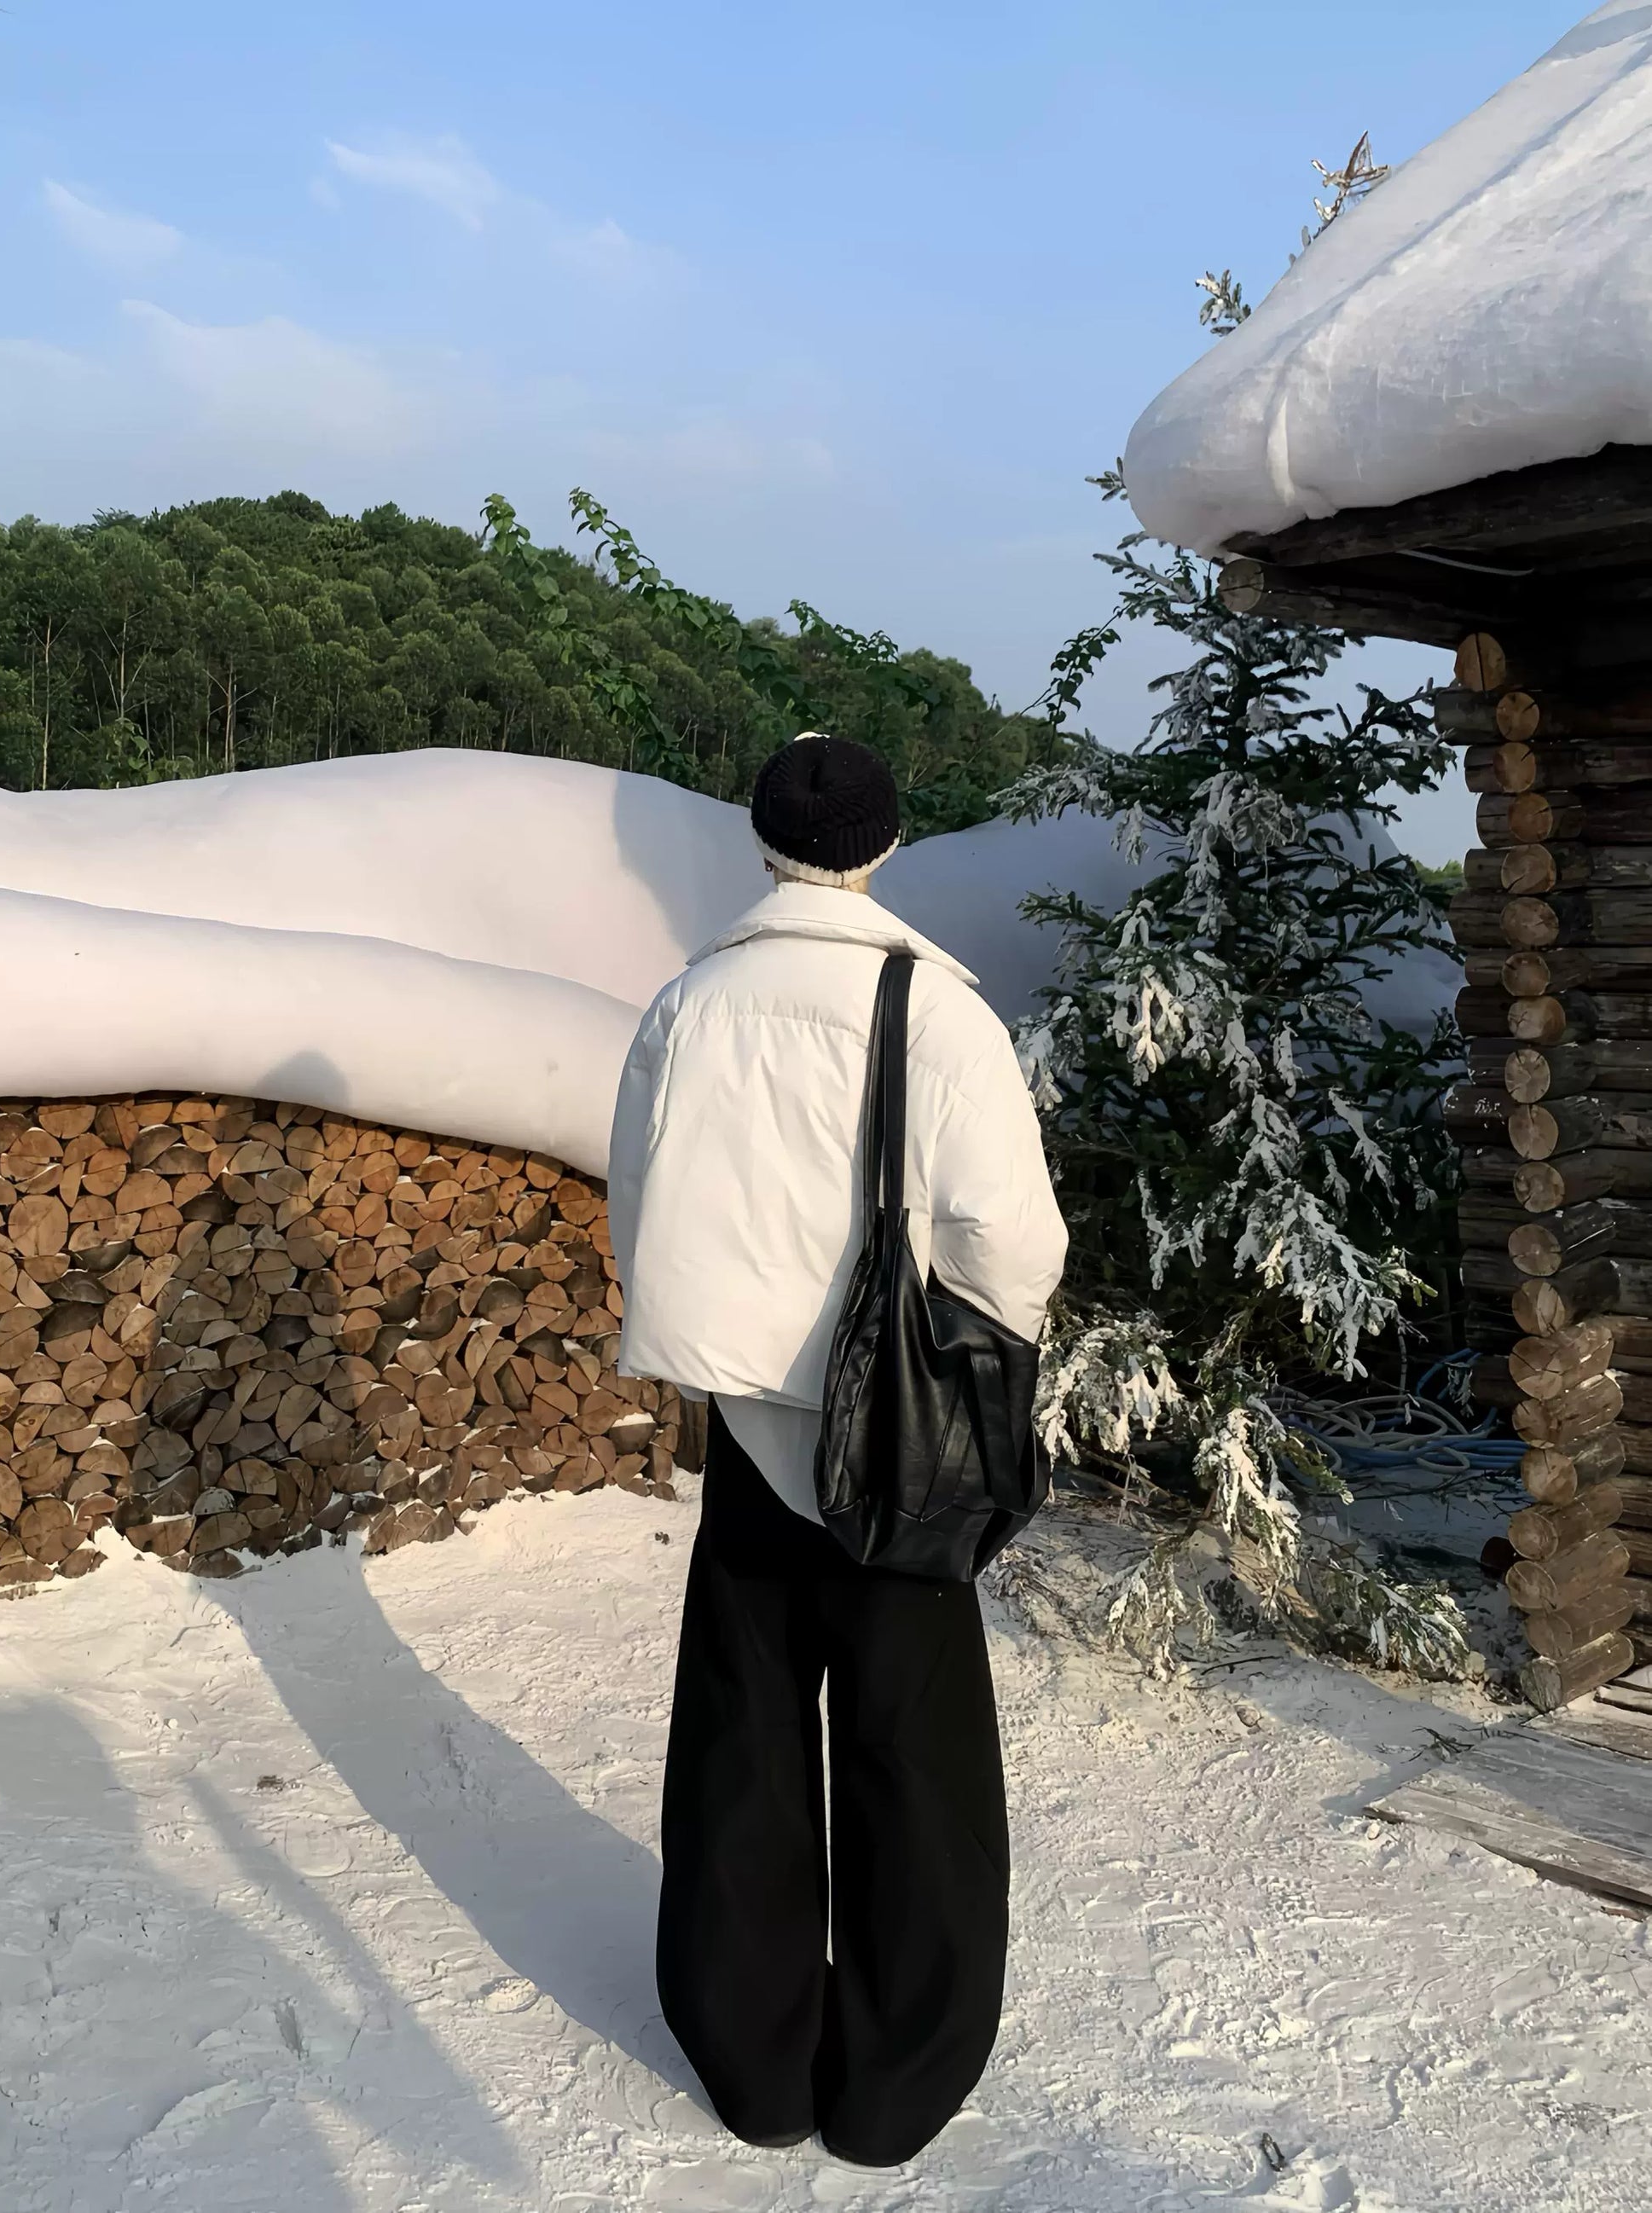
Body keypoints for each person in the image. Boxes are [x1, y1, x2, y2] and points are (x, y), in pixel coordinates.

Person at [608, 731, 1067, 2166]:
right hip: (902, 1443)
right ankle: (892, 2088)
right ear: (884, 846)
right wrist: (966, 1360)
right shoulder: (938, 1014)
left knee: (741, 1741)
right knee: (913, 1755)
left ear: (762, 843)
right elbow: (1011, 1242)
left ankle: (753, 2072)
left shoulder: (690, 1002)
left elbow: (638, 1197)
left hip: (746, 1427)